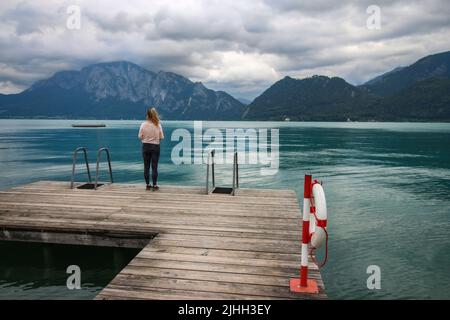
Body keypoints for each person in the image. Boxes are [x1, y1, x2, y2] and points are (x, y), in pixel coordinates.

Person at [138, 107, 164, 191]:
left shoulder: (143, 124)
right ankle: (155, 185)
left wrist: (145, 139)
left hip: (145, 146)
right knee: (154, 166)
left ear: (147, 115)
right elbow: (161, 137)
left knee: (146, 166)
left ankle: (148, 185)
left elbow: (140, 136)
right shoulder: (158, 125)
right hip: (155, 147)